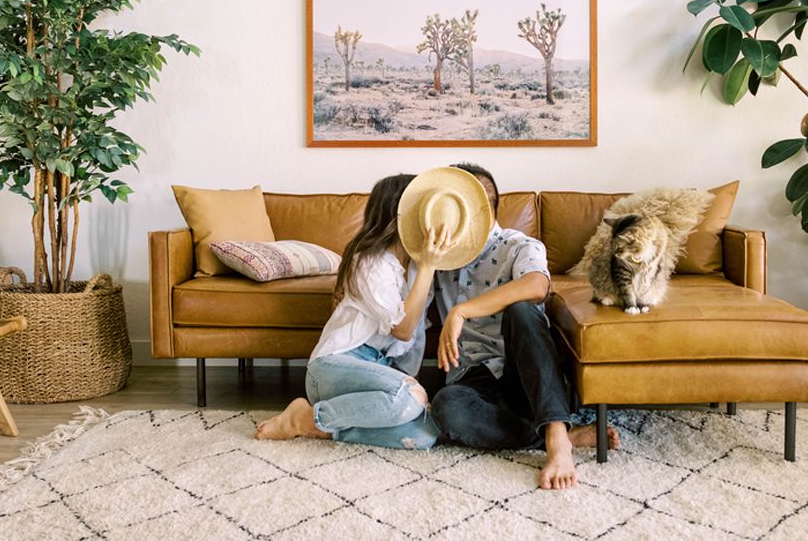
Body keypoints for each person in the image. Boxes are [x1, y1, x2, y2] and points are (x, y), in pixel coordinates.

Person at [431, 163, 620, 490]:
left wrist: (462, 311)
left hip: (526, 373)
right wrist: (424, 261)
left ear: (485, 210)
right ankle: (549, 434)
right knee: (446, 409)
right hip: (473, 378)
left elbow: (536, 285)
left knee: (521, 311)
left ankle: (558, 438)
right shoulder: (441, 258)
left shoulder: (517, 245)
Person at [255, 173, 452, 449]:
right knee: (409, 398)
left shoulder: (418, 267)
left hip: (378, 370)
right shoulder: (370, 262)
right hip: (334, 366)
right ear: (400, 216)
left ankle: (317, 427)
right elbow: (404, 330)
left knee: (424, 436)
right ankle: (303, 418)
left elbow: (413, 341)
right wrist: (429, 267)